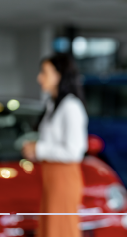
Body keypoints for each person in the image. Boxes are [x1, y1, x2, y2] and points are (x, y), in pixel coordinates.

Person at [21, 53, 88, 237]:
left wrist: (39, 149)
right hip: (50, 177)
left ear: (59, 75)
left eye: (44, 72)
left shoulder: (71, 107)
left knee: (61, 232)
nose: (39, 77)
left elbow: (75, 151)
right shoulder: (53, 104)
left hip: (64, 178)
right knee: (49, 231)